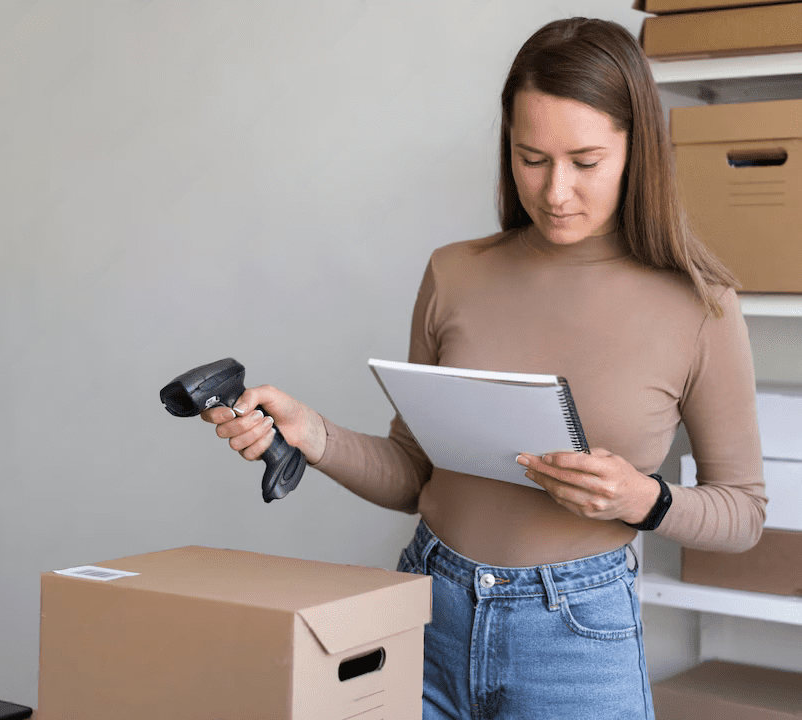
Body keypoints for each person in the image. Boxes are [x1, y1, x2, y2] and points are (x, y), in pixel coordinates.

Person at [202, 17, 766, 720]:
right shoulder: (455, 273)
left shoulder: (700, 307)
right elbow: (415, 476)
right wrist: (311, 433)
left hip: (577, 640)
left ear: (637, 151)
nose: (556, 191)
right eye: (533, 158)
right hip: (428, 611)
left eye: (585, 162)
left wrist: (644, 500)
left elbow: (743, 512)